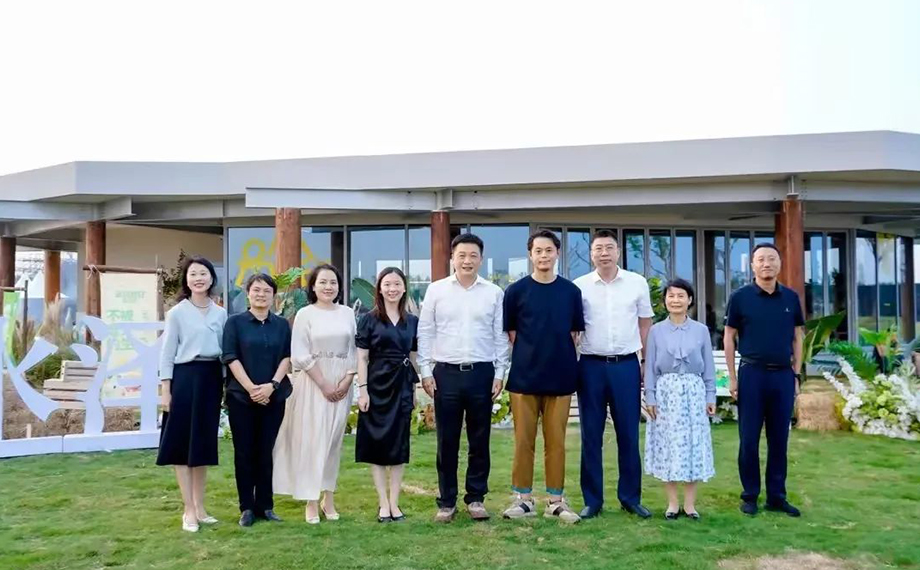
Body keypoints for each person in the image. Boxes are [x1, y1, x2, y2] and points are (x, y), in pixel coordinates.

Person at [418, 233, 510, 523]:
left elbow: (500, 336)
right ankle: (446, 501)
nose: (467, 260)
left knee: (479, 440)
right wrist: (425, 370)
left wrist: (500, 372)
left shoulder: (493, 293)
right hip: (445, 374)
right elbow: (425, 331)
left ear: (481, 259)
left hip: (482, 373)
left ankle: (476, 498)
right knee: (447, 441)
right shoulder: (436, 290)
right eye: (462, 255)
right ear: (452, 258)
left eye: (473, 255)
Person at [502, 229, 584, 524]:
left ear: (557, 253)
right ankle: (523, 499)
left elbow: (574, 334)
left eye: (549, 250)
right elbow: (512, 335)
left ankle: (556, 500)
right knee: (523, 441)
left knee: (556, 442)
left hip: (560, 376)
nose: (543, 256)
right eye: (538, 251)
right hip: (524, 378)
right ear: (530, 254)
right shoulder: (515, 292)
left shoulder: (571, 292)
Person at [573, 229, 653, 519]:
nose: (604, 253)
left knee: (629, 433)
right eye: (598, 249)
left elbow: (645, 324)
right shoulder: (579, 286)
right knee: (591, 435)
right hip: (590, 366)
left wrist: (644, 360)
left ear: (618, 251)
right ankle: (592, 500)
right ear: (591, 254)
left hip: (626, 365)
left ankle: (630, 498)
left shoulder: (636, 283)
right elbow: (573, 329)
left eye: (609, 248)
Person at [724, 242, 805, 518]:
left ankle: (776, 497)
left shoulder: (790, 298)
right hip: (752, 374)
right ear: (752, 266)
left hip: (782, 375)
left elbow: (798, 337)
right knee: (748, 439)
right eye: (760, 259)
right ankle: (750, 495)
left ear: (779, 264)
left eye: (771, 259)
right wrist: (732, 377)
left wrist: (796, 374)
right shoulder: (740, 297)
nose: (766, 264)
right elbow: (729, 337)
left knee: (779, 439)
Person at [273, 264, 357, 524]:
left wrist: (347, 379)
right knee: (313, 442)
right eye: (323, 282)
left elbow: (355, 349)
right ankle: (310, 500)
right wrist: (323, 384)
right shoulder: (305, 314)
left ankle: (328, 498)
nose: (328, 287)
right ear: (313, 286)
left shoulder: (347, 313)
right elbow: (299, 353)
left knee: (333, 442)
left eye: (333, 282)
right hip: (313, 383)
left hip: (342, 383)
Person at [157, 256, 228, 533]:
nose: (198, 278)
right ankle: (187, 510)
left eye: (203, 273)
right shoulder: (177, 313)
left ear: (211, 278)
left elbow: (224, 354)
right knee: (181, 445)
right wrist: (166, 390)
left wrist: (225, 386)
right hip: (184, 379)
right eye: (193, 274)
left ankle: (200, 507)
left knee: (202, 445)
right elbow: (167, 354)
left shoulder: (220, 314)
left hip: (211, 379)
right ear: (186, 280)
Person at [222, 273, 292, 527]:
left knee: (266, 450)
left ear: (274, 296)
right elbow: (230, 357)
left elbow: (287, 357)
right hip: (242, 397)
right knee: (244, 452)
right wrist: (252, 389)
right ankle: (247, 507)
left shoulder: (281, 325)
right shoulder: (234, 323)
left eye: (266, 291)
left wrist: (271, 386)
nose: (261, 295)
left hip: (274, 397)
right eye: (256, 290)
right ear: (248, 293)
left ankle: (266, 505)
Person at [644, 278, 716, 520]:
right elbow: (650, 368)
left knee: (694, 445)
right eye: (671, 296)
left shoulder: (701, 330)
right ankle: (672, 503)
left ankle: (690, 504)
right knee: (668, 445)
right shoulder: (656, 331)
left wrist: (710, 395)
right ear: (665, 300)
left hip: (694, 393)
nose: (676, 300)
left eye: (681, 296)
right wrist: (650, 397)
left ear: (690, 300)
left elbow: (708, 367)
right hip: (666, 393)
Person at [355, 267, 419, 523]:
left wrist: (413, 390)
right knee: (377, 444)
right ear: (379, 289)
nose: (392, 289)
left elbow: (413, 357)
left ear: (404, 288)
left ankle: (395, 502)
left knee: (399, 445)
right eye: (387, 284)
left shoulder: (412, 321)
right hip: (376, 386)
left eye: (397, 284)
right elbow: (362, 358)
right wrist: (362, 391)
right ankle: (383, 503)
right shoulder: (368, 319)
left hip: (402, 385)